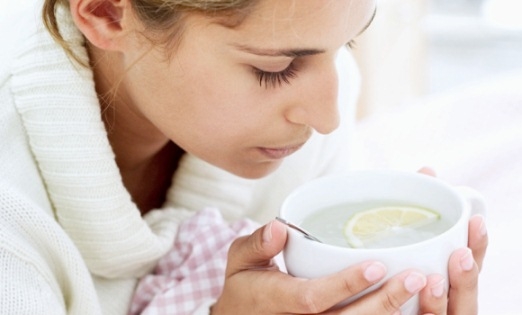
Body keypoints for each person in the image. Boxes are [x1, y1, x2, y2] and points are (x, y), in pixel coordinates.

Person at [0, 0, 487, 314]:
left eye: (346, 45)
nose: (328, 118)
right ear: (108, 13)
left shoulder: (308, 115)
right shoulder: (11, 208)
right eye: (275, 68)